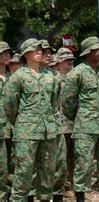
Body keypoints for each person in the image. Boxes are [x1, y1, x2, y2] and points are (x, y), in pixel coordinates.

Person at [4, 38, 59, 201]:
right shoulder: (18, 76)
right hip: (26, 132)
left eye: (41, 49)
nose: (40, 51)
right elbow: (9, 106)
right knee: (23, 173)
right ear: (25, 53)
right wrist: (23, 123)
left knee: (47, 173)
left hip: (48, 132)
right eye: (35, 49)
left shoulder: (50, 76)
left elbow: (54, 104)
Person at [62, 37, 99, 202]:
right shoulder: (77, 73)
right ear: (88, 53)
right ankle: (80, 197)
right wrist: (80, 118)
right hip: (85, 127)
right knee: (83, 165)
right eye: (96, 49)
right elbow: (67, 102)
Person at [54, 47, 76, 198]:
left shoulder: (76, 78)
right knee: (60, 159)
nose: (70, 62)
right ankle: (61, 187)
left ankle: (73, 186)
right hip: (60, 125)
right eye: (66, 60)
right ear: (58, 63)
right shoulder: (54, 80)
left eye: (71, 60)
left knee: (74, 158)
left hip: (76, 124)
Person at [0, 41, 13, 200]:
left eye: (9, 52)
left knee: (14, 164)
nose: (8, 55)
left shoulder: (13, 78)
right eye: (4, 52)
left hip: (13, 128)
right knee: (1, 167)